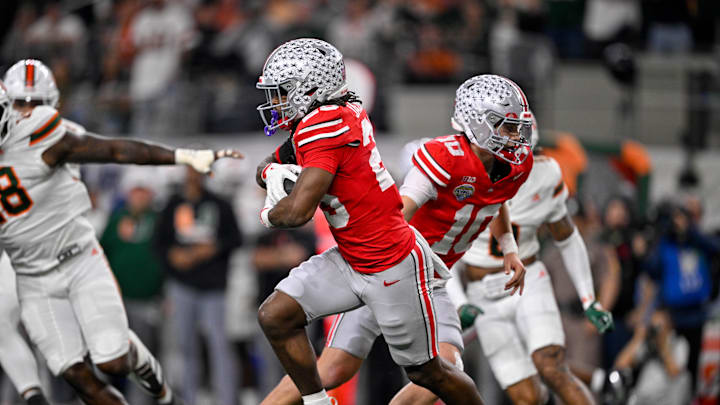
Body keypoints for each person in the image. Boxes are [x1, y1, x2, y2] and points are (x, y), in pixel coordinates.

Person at [258, 67, 531, 405]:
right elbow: (401, 210)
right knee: (334, 366)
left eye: (517, 126)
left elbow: (495, 196)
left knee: (439, 369)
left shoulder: (515, 165)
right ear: (476, 121)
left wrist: (508, 248)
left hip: (428, 279)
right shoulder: (444, 156)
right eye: (506, 125)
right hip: (396, 265)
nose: (515, 136)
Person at [0, 59, 242, 405]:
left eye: (33, 103)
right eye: (22, 101)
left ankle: (144, 366)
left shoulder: (40, 133)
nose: (28, 109)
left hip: (77, 259)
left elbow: (115, 149)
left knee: (112, 361)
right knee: (79, 380)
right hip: (31, 278)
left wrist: (181, 156)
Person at [452, 123, 615, 405]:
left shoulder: (544, 174)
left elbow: (567, 237)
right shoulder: (458, 176)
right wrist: (459, 300)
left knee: (552, 367)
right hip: (483, 296)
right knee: (526, 396)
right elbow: (442, 249)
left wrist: (590, 301)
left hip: (528, 282)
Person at [154, 165, 243, 405]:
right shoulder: (172, 204)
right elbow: (159, 243)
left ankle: (226, 399)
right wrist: (173, 256)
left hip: (213, 286)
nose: (193, 175)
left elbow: (235, 238)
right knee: (184, 348)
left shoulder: (219, 204)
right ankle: (188, 399)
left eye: (198, 170)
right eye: (189, 170)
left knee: (219, 346)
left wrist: (212, 249)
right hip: (182, 285)